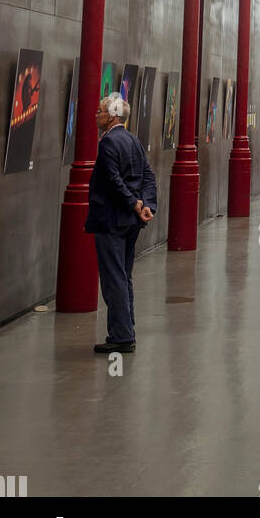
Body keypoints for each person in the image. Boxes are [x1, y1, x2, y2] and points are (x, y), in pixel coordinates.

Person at [85, 93, 157, 355]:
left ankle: (122, 336)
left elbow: (113, 182)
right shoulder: (133, 140)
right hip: (130, 222)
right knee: (124, 276)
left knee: (113, 278)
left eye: (100, 111)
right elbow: (148, 176)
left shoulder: (108, 143)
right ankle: (127, 329)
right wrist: (146, 204)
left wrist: (134, 204)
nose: (97, 115)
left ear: (112, 115)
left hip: (111, 220)